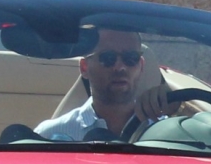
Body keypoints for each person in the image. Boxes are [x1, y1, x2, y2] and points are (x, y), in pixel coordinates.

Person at [32, 27, 173, 141]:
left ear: (141, 66)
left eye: (131, 58)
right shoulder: (49, 136)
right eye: (108, 58)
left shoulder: (168, 135)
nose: (120, 67)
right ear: (84, 68)